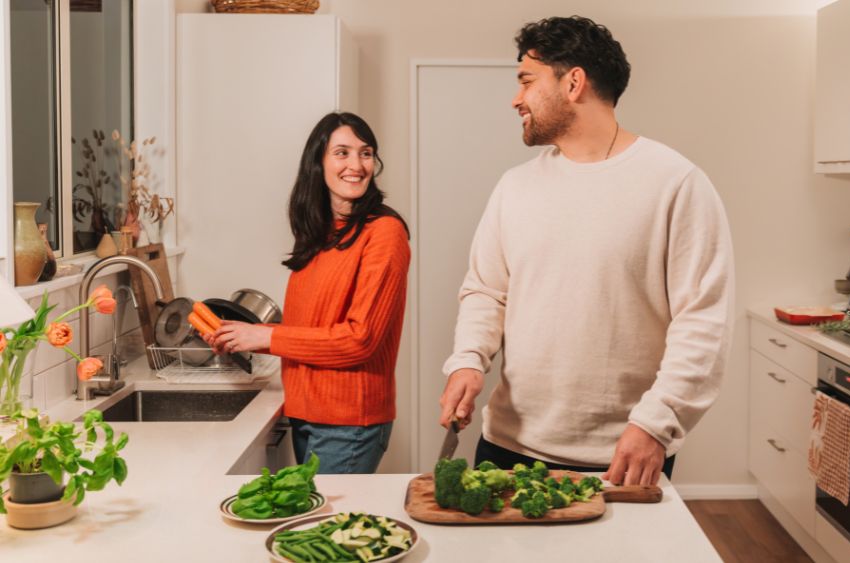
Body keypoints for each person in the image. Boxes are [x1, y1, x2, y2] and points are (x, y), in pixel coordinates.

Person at [438, 16, 734, 486]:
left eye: (526, 81)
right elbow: (486, 291)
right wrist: (469, 360)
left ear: (573, 82)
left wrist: (656, 423)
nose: (516, 99)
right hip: (507, 445)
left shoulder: (675, 183)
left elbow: (703, 322)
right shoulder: (514, 187)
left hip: (624, 452)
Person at [207, 112, 410, 474]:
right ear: (318, 163)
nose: (357, 165)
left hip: (348, 423)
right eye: (342, 153)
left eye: (365, 154)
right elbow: (313, 327)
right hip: (305, 413)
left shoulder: (384, 233)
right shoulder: (318, 233)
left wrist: (265, 335)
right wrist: (243, 337)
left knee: (327, 530)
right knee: (315, 527)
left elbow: (360, 340)